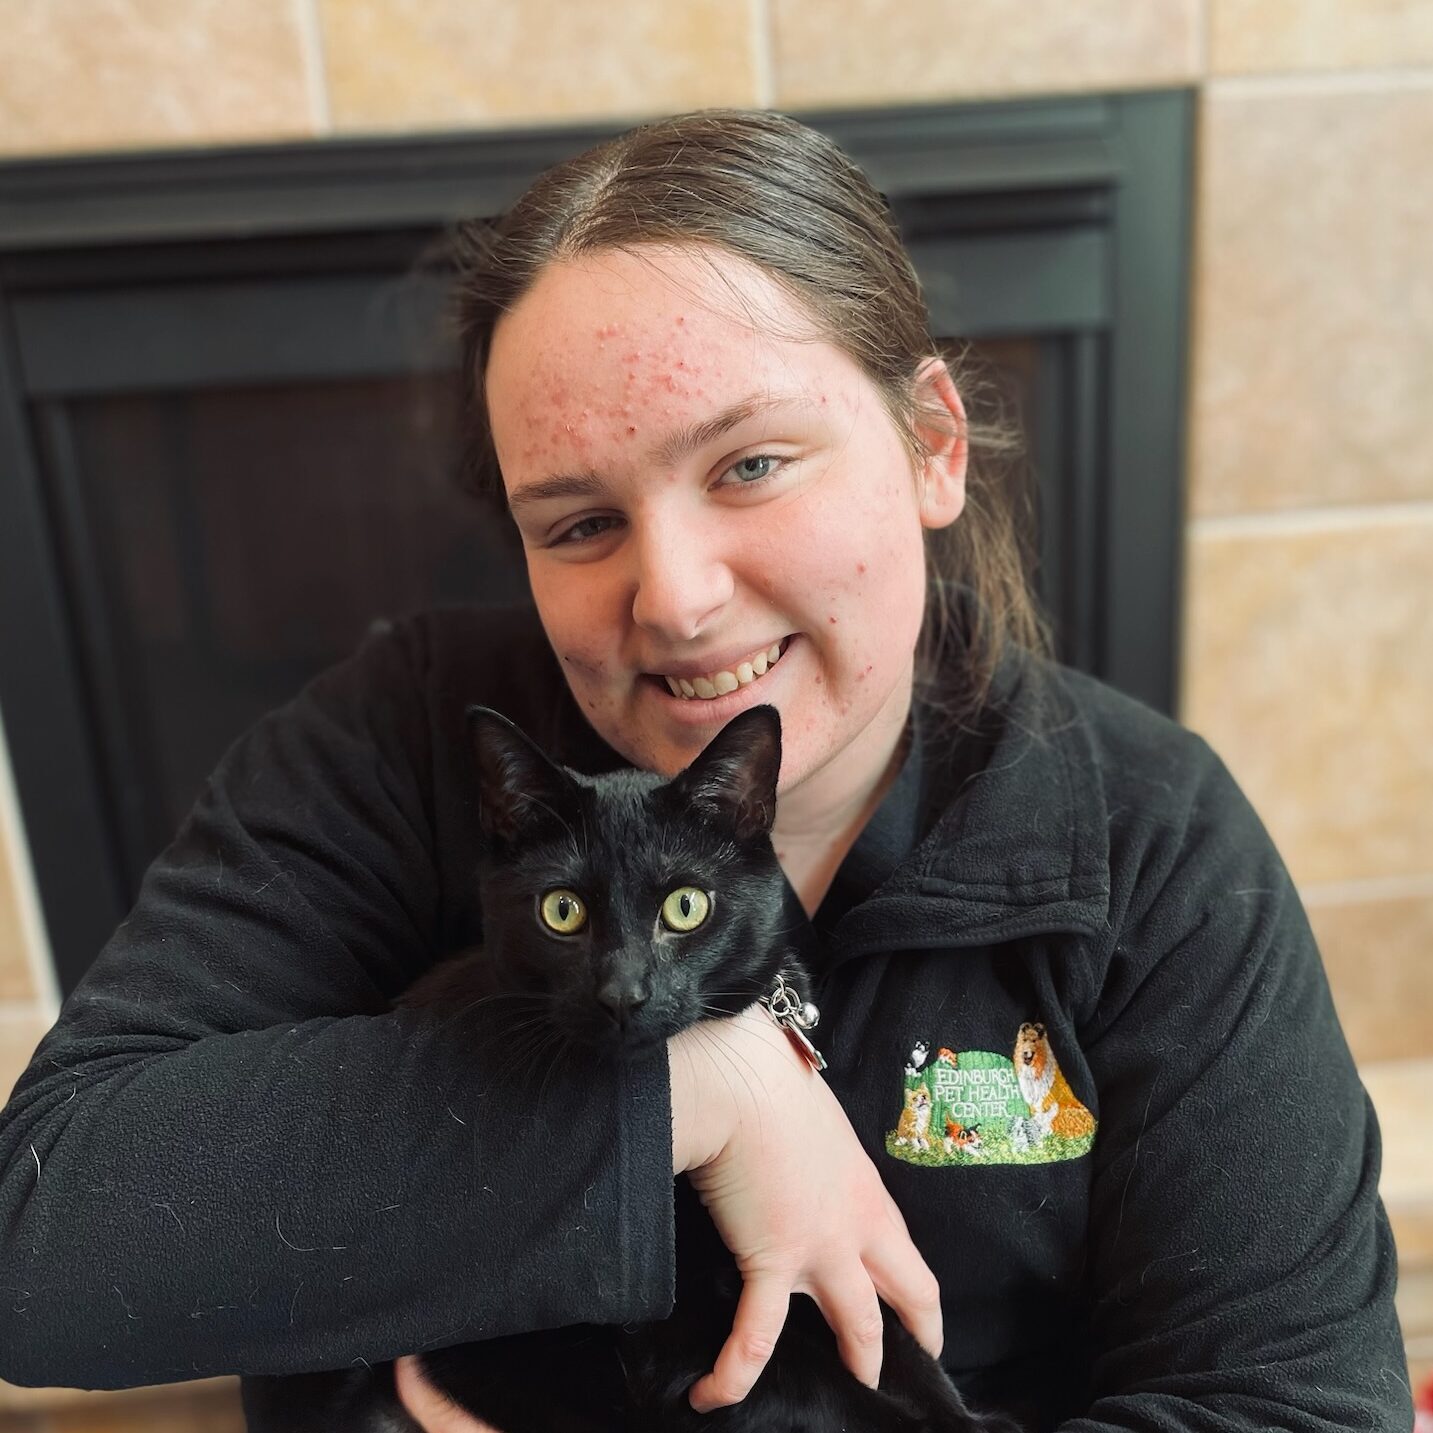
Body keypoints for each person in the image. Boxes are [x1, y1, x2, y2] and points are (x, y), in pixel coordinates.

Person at [0, 108, 1411, 1433]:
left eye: (748, 466)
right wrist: (691, 1092)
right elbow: (37, 1241)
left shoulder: (1149, 833)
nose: (670, 599)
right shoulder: (394, 733)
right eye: (576, 524)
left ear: (930, 445)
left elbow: (1287, 1403)